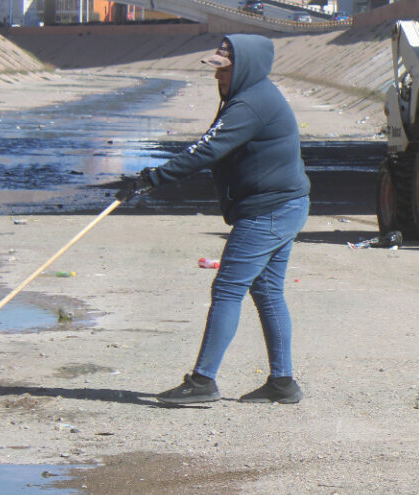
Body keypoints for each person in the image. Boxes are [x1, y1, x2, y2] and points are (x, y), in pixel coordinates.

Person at [119, 34, 311, 405]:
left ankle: (203, 381)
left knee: (227, 289)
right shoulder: (251, 96)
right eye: (216, 69)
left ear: (244, 67)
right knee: (267, 291)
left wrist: (150, 179)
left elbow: (206, 150)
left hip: (269, 211)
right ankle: (283, 384)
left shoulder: (251, 104)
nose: (217, 77)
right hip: (283, 206)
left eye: (223, 69)